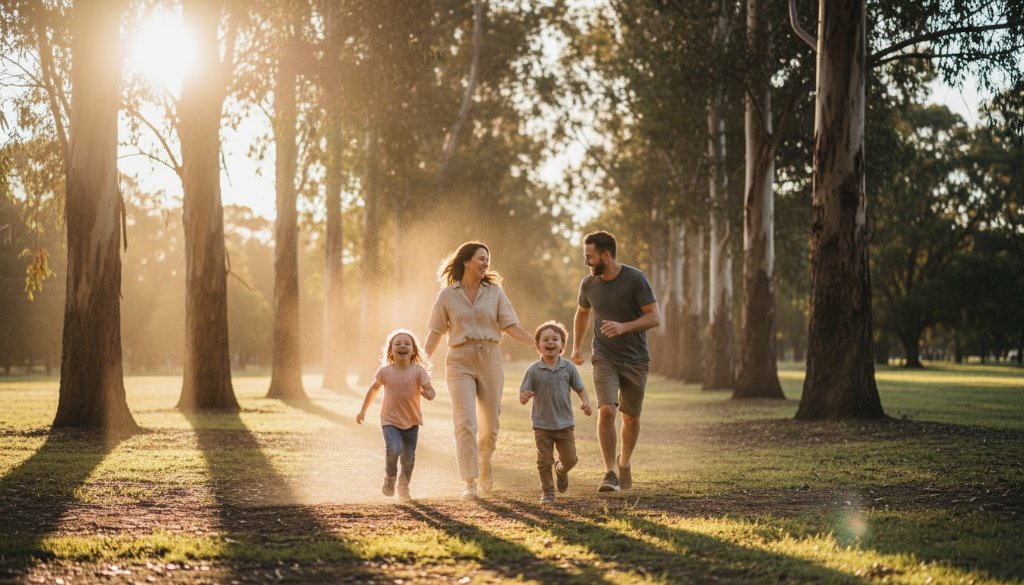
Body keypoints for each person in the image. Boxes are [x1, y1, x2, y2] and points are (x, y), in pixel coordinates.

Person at [424, 241, 534, 499]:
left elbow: (511, 325)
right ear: (466, 261)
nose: (486, 263)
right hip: (459, 360)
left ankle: (484, 461)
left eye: (487, 260)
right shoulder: (447, 295)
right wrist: (421, 366)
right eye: (481, 258)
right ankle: (469, 482)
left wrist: (535, 342)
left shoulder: (495, 292)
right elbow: (435, 333)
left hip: (490, 357)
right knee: (464, 422)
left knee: (490, 425)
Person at [570, 231, 661, 492]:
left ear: (606, 255)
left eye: (590, 256)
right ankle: (609, 472)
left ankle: (624, 463)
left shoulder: (635, 279)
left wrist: (624, 327)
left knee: (631, 419)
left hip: (635, 359)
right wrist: (576, 346)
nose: (586, 262)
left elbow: (655, 317)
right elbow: (582, 312)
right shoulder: (588, 284)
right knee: (607, 410)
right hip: (604, 356)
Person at [356, 329, 437, 502]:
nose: (402, 346)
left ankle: (404, 487)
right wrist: (363, 410)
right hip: (390, 420)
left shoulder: (418, 371)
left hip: (412, 422)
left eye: (407, 343)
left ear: (413, 351)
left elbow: (430, 389)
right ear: (391, 351)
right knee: (394, 448)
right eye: (397, 344)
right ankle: (390, 477)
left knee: (408, 459)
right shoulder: (385, 371)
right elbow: (373, 389)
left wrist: (430, 393)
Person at [520, 321, 592, 504]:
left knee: (571, 459)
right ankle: (547, 492)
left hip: (564, 424)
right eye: (545, 339)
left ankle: (561, 470)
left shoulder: (568, 368)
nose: (550, 342)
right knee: (544, 461)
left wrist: (586, 403)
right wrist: (525, 397)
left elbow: (580, 389)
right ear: (538, 346)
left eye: (555, 339)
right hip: (541, 425)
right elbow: (522, 396)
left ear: (562, 346)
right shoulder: (533, 370)